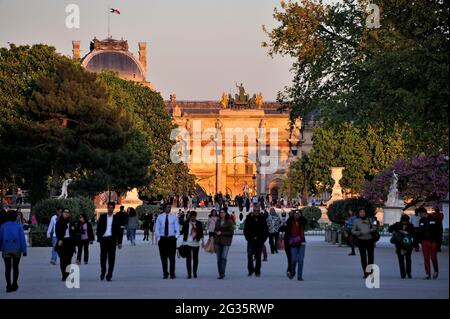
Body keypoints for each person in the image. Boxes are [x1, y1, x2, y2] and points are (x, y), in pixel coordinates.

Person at [0, 210, 27, 292]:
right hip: (16, 248)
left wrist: (1, 248)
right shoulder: (19, 226)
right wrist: (24, 250)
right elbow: (22, 239)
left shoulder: (3, 226)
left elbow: (0, 238)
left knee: (7, 268)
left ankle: (8, 285)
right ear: (15, 217)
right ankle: (14, 284)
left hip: (6, 248)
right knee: (15, 267)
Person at [96, 202, 123, 281]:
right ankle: (103, 271)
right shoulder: (102, 217)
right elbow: (99, 228)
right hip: (104, 239)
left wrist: (120, 242)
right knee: (103, 257)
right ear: (107, 208)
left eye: (112, 208)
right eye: (109, 207)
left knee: (112, 258)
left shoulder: (117, 218)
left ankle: (109, 274)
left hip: (112, 240)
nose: (110, 209)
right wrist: (99, 238)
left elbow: (119, 231)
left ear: (114, 208)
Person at [416, 207, 443, 279]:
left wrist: (439, 243)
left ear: (423, 213)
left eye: (419, 214)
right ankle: (428, 274)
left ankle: (436, 271)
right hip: (424, 241)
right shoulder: (421, 220)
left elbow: (439, 231)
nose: (419, 215)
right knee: (426, 258)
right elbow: (419, 231)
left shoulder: (434, 219)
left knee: (433, 257)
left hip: (433, 241)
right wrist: (419, 241)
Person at [155, 204, 180, 279]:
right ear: (164, 208)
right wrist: (159, 238)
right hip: (163, 239)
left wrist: (176, 237)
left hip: (171, 239)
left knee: (172, 258)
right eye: (168, 207)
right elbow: (157, 228)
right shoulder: (160, 217)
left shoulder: (174, 217)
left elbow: (177, 228)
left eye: (170, 207)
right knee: (163, 258)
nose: (169, 208)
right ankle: (165, 273)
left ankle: (172, 273)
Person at [351, 209, 378, 278]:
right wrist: (359, 233)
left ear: (365, 213)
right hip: (361, 240)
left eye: (363, 212)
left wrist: (369, 230)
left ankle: (370, 271)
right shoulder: (356, 221)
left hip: (370, 240)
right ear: (358, 213)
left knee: (371, 257)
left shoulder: (371, 220)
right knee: (363, 257)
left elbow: (375, 227)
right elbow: (353, 231)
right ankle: (365, 273)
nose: (362, 213)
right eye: (360, 212)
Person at [244, 205, 269, 277]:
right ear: (253, 210)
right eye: (255, 210)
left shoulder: (262, 219)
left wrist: (263, 239)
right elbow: (246, 229)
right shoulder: (249, 218)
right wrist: (247, 238)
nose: (256, 212)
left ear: (259, 211)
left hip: (259, 240)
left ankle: (257, 271)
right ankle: (250, 270)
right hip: (251, 240)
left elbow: (265, 230)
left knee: (258, 256)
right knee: (249, 255)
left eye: (258, 210)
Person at [388, 214, 415, 279]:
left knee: (408, 260)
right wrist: (398, 231)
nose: (404, 222)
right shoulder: (397, 224)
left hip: (408, 245)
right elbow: (390, 229)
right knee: (401, 260)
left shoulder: (411, 226)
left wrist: (407, 233)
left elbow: (413, 234)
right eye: (403, 221)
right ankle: (403, 274)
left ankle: (409, 273)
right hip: (399, 245)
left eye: (406, 221)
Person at [180, 211, 204, 279]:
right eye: (192, 217)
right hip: (187, 243)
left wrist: (203, 242)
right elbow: (182, 231)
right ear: (190, 216)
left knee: (195, 259)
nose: (193, 218)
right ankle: (189, 274)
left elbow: (201, 233)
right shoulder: (186, 223)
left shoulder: (198, 223)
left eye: (194, 217)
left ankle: (195, 272)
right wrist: (176, 233)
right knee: (188, 259)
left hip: (196, 243)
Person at [55, 208, 76, 281]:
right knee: (63, 260)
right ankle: (64, 275)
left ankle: (67, 275)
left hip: (69, 242)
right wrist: (59, 239)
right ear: (62, 213)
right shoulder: (59, 222)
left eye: (68, 212)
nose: (66, 213)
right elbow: (57, 232)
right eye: (65, 212)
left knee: (68, 260)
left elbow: (74, 233)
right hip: (62, 242)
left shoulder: (71, 222)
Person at [286, 210, 307, 281]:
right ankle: (292, 272)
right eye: (295, 214)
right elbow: (287, 226)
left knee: (300, 260)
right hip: (294, 243)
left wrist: (301, 216)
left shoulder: (302, 222)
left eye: (298, 214)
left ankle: (299, 276)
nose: (297, 215)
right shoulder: (290, 222)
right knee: (294, 259)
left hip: (302, 242)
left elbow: (305, 221)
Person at [214, 209, 234, 279]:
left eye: (222, 212)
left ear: (225, 213)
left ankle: (222, 273)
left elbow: (231, 232)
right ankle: (220, 273)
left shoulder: (229, 221)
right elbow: (215, 229)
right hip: (217, 241)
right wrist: (216, 232)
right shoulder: (218, 221)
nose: (221, 214)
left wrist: (221, 233)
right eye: (220, 212)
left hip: (226, 241)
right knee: (219, 258)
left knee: (223, 257)